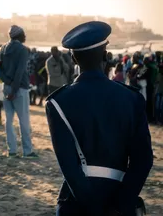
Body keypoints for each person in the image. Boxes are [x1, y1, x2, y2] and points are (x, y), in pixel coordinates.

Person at [45, 21, 153, 216]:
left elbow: (69, 167)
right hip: (120, 198)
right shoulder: (132, 98)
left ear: (73, 59)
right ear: (105, 55)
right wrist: (121, 204)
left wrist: (93, 206)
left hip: (77, 204)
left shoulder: (58, 102)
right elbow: (143, 160)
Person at [0, 25, 37, 158]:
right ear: (19, 35)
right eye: (23, 34)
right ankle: (27, 151)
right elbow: (20, 72)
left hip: (6, 88)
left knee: (9, 120)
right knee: (24, 121)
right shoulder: (23, 50)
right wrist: (14, 88)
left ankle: (12, 150)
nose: (25, 36)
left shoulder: (2, 49)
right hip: (19, 89)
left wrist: (8, 83)